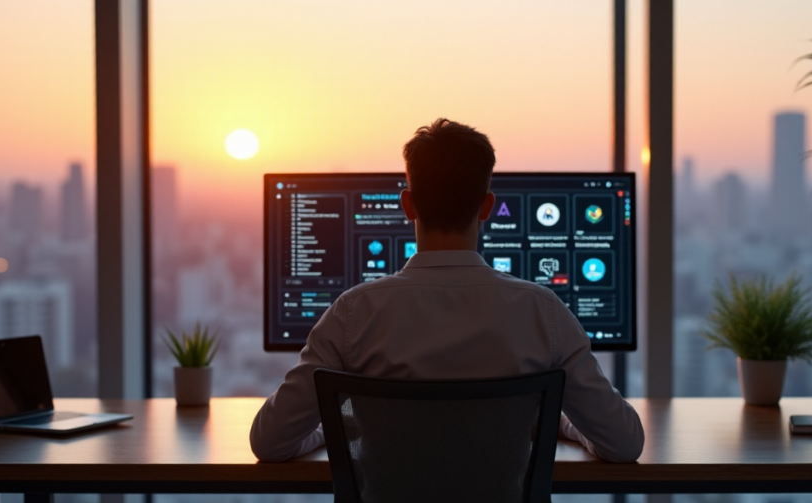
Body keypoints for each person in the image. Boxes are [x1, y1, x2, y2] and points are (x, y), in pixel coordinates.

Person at [250, 117, 644, 464]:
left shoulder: (352, 314)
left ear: (408, 205)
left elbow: (269, 442)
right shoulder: (542, 312)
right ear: (487, 206)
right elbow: (624, 444)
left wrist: (340, 431)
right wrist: (563, 426)